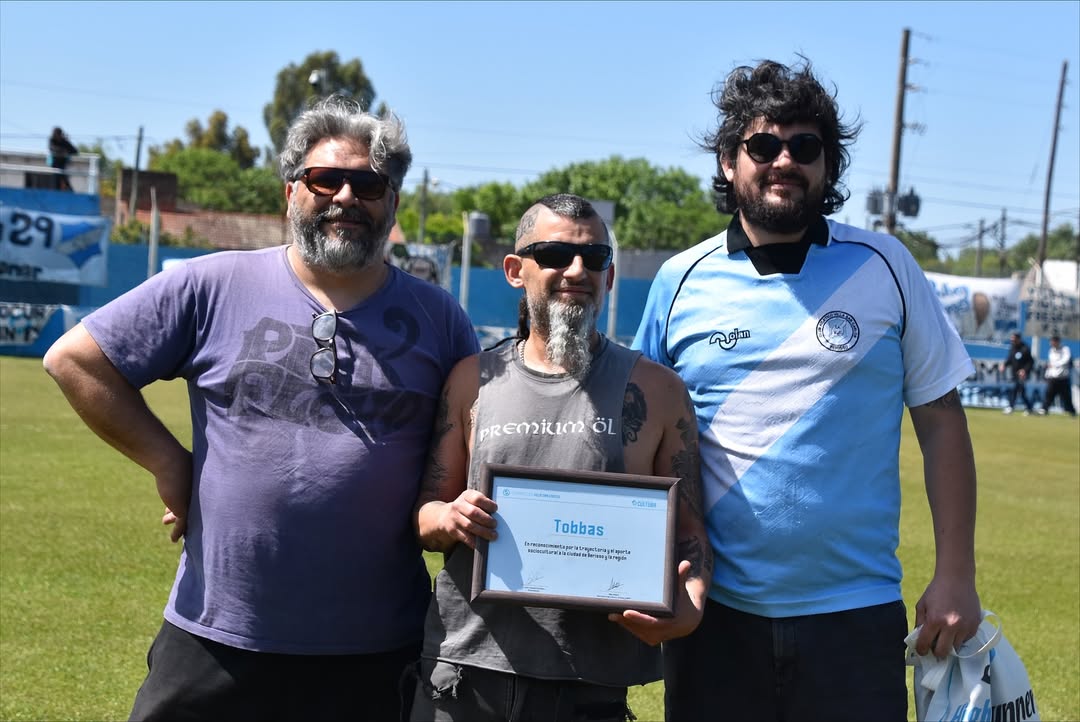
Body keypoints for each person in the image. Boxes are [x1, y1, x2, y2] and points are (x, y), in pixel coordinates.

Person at [42, 97, 479, 721]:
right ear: (290, 191)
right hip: (217, 634)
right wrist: (170, 462)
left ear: (393, 202)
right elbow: (76, 360)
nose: (346, 197)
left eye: (368, 185)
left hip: (377, 650)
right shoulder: (209, 285)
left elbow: (477, 440)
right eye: (324, 179)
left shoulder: (440, 318)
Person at [633, 59, 981, 721]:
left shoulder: (887, 265)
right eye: (764, 145)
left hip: (856, 616)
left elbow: (941, 422)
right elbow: (642, 439)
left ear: (829, 164)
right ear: (729, 161)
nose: (784, 160)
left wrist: (956, 574)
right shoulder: (679, 280)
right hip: (716, 614)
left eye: (805, 146)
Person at [410, 194, 712, 721]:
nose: (576, 270)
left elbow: (689, 530)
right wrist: (450, 516)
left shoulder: (659, 391)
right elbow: (426, 516)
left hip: (591, 684)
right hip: (466, 674)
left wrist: (690, 603)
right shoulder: (471, 380)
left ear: (609, 276)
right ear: (514, 270)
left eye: (594, 258)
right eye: (553, 254)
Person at [1039, 334, 1077, 416]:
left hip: (1063, 377)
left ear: (1058, 341)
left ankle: (1072, 412)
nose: (1051, 343)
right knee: (1049, 394)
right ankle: (1044, 409)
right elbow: (1050, 364)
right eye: (1051, 341)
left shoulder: (1065, 349)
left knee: (1066, 396)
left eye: (1053, 341)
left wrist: (1055, 364)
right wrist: (1047, 374)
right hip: (1053, 378)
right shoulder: (1051, 351)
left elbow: (1065, 360)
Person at [1000, 332, 1035, 415]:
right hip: (1014, 373)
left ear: (1019, 339)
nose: (1012, 340)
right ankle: (1029, 408)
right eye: (1012, 339)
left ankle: (1011, 407)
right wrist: (1004, 365)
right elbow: (1010, 359)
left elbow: (1030, 362)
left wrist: (1024, 370)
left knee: (1016, 389)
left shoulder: (1025, 348)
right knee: (1021, 392)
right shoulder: (1013, 348)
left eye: (1014, 339)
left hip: (1022, 374)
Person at [48, 126, 78, 191]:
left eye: (58, 135)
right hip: (55, 163)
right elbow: (51, 148)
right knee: (56, 178)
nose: (57, 137)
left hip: (62, 163)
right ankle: (56, 191)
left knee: (63, 177)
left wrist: (66, 151)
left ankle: (70, 190)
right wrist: (61, 151)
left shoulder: (64, 141)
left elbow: (75, 151)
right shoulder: (52, 140)